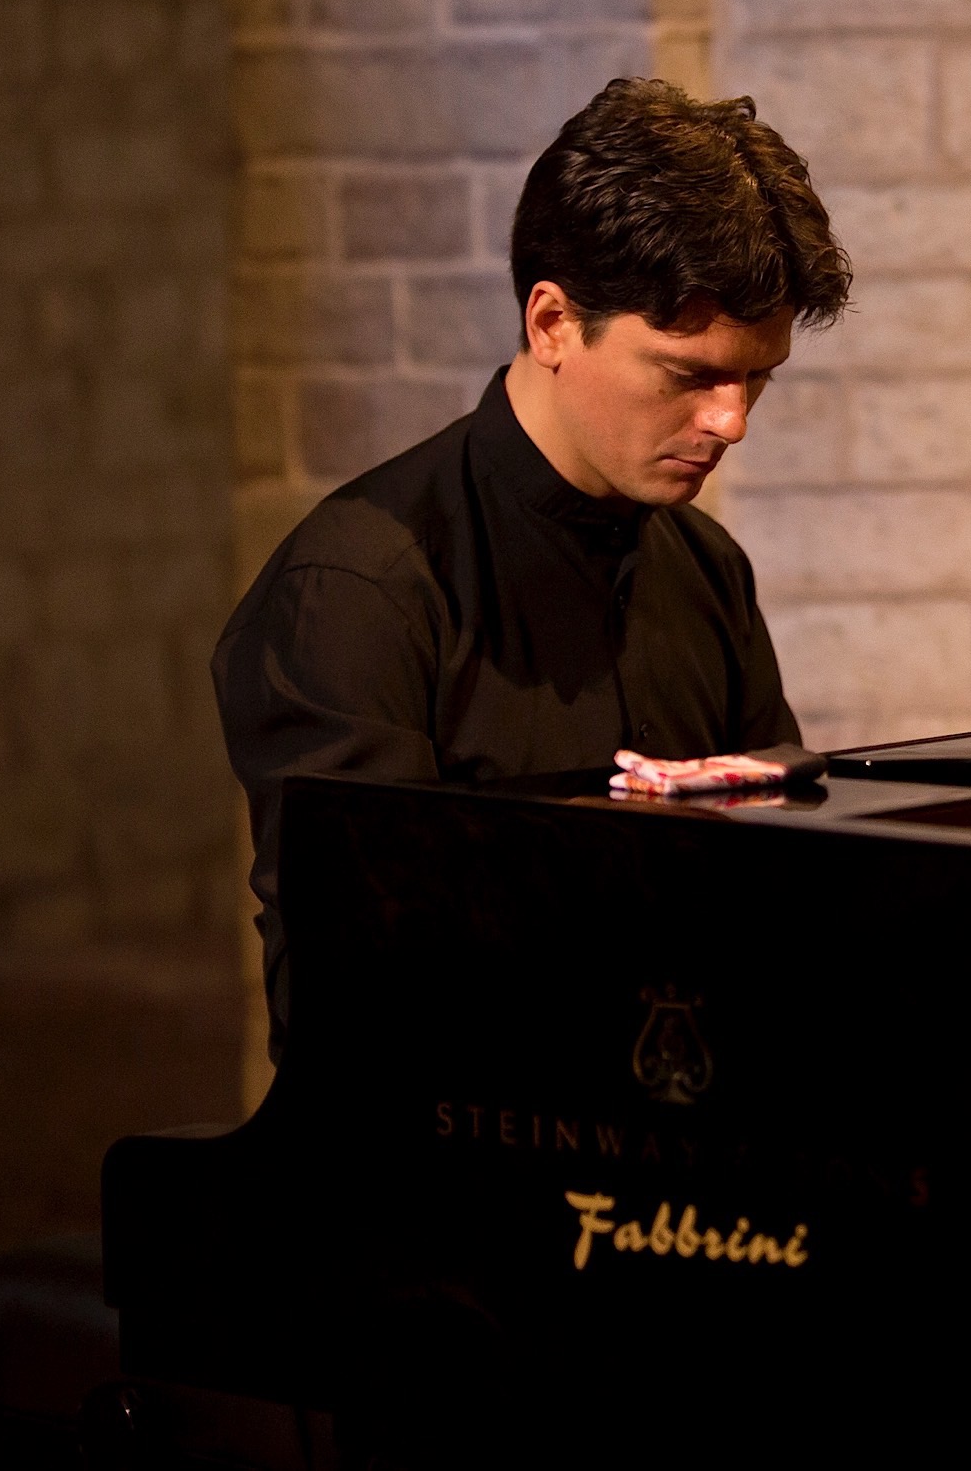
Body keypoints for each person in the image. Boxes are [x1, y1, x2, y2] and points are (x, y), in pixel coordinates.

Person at [214, 78, 851, 1055]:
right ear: (552, 322)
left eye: (755, 378)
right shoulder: (360, 590)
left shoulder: (706, 566)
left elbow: (783, 902)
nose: (732, 421)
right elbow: (358, 998)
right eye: (691, 375)